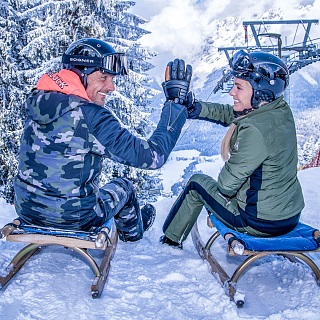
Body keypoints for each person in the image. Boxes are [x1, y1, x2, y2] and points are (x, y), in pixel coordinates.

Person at [14, 38, 192, 242]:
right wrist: (175, 104)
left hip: (27, 210)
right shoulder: (90, 115)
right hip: (74, 218)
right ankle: (133, 237)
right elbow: (153, 156)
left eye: (112, 79)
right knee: (124, 186)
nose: (111, 87)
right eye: (104, 77)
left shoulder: (38, 99)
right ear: (80, 75)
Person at [160, 50, 305, 249]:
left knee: (196, 184)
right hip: (289, 216)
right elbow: (235, 114)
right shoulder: (278, 110)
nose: (231, 93)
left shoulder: (254, 130)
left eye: (238, 87)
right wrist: (196, 108)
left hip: (258, 222)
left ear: (260, 92)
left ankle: (169, 241)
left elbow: (226, 186)